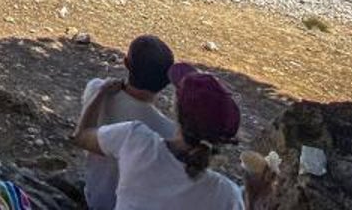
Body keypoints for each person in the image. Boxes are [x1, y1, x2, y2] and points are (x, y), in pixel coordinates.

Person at [74, 63, 270, 209]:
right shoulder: (225, 194)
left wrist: (100, 92)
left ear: (176, 109)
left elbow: (81, 136)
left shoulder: (134, 139)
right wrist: (254, 197)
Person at [80, 36, 177, 210]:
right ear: (167, 81)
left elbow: (81, 137)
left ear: (126, 63)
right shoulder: (168, 132)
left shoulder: (96, 90)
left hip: (94, 197)